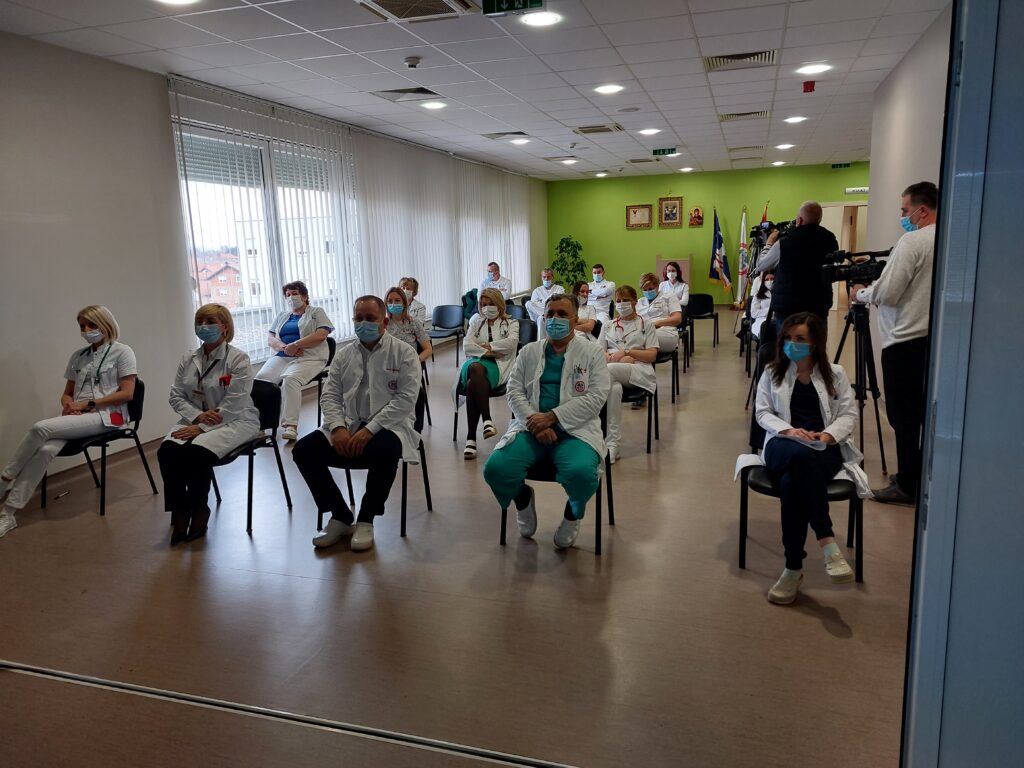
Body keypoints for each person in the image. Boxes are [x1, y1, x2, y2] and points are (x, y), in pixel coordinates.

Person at [755, 312, 870, 605]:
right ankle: (827, 541)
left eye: (800, 339)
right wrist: (790, 430)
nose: (791, 344)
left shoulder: (836, 374)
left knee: (793, 483)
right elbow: (762, 413)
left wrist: (828, 436)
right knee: (799, 455)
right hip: (782, 444)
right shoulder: (772, 371)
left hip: (823, 448)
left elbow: (848, 415)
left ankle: (792, 568)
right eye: (788, 338)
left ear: (815, 343)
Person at [293, 296, 420, 553]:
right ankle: (340, 515)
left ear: (384, 322)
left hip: (389, 425)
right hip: (349, 423)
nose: (364, 323)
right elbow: (330, 396)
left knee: (385, 451)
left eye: (370, 318)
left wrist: (369, 430)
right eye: (358, 318)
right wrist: (338, 427)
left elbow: (406, 400)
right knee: (303, 450)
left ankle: (366, 518)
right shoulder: (344, 355)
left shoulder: (404, 352)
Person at [483, 294, 611, 549]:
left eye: (562, 314)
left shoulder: (593, 353)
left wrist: (552, 417)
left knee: (582, 474)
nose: (555, 319)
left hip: (575, 431)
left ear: (575, 319)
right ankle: (522, 500)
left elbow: (596, 397)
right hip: (531, 429)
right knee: (496, 470)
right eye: (550, 314)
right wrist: (535, 422)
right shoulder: (529, 351)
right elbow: (514, 391)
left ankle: (572, 514)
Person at [0, 306, 137, 539]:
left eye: (92, 325)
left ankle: (4, 480)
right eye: (82, 326)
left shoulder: (123, 352)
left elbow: (127, 393)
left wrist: (88, 404)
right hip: (78, 416)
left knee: (40, 428)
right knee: (45, 450)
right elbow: (66, 394)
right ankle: (8, 514)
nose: (86, 330)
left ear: (105, 324)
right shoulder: (78, 357)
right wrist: (69, 405)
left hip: (108, 416)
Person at [851, 181, 938, 506]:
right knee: (921, 412)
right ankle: (917, 474)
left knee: (903, 417)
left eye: (905, 210)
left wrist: (861, 293)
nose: (903, 216)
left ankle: (907, 484)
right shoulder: (948, 238)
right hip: (931, 340)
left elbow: (888, 292)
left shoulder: (913, 241)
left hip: (904, 341)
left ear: (922, 210)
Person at [159, 304, 261, 545]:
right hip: (196, 417)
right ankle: (180, 509)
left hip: (236, 420)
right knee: (168, 451)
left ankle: (200, 508)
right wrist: (197, 417)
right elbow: (176, 396)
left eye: (210, 322)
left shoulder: (238, 359)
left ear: (224, 327)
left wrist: (202, 428)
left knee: (197, 452)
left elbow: (235, 403)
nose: (203, 326)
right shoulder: (189, 358)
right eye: (200, 322)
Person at [255, 281, 334, 442]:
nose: (291, 297)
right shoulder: (282, 316)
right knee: (261, 381)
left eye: (295, 293)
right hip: (283, 355)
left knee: (290, 379)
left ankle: (291, 426)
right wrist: (285, 347)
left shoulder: (316, 312)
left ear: (304, 296)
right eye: (288, 295)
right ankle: (260, 425)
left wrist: (296, 345)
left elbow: (321, 335)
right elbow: (270, 338)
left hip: (309, 356)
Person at [756, 202, 839, 332]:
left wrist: (769, 243)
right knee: (815, 341)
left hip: (788, 307)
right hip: (819, 305)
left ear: (799, 220)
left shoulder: (785, 242)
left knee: (788, 342)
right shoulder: (830, 240)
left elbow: (761, 265)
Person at [456, 288, 519, 460]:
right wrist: (488, 353)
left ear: (499, 304)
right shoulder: (476, 321)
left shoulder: (511, 323)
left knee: (473, 383)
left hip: (498, 367)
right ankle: (487, 420)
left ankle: (471, 439)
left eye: (491, 304)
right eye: (483, 304)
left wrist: (487, 346)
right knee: (476, 368)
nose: (487, 308)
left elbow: (511, 343)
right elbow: (467, 345)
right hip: (475, 362)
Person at [597, 286, 658, 463]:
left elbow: (652, 355)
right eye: (618, 300)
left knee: (608, 371)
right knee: (614, 389)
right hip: (613, 370)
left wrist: (628, 353)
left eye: (626, 300)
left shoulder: (646, 324)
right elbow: (598, 351)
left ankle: (597, 435)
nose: (621, 304)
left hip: (639, 370)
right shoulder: (608, 325)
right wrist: (612, 358)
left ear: (635, 302)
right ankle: (612, 445)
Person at [383, 286, 432, 432]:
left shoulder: (413, 323)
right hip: (388, 368)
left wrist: (416, 360)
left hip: (410, 367)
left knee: (419, 393)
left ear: (404, 303)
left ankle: (416, 432)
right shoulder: (383, 324)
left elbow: (428, 349)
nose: (393, 304)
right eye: (390, 301)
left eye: (397, 300)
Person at [636, 272, 683, 353]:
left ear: (657, 286)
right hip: (644, 332)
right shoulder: (639, 302)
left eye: (650, 289)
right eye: (645, 290)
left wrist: (655, 324)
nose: (648, 292)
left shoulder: (669, 297)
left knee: (639, 339)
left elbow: (677, 319)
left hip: (666, 332)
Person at [750, 271, 774, 340]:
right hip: (762, 320)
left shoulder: (780, 293)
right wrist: (770, 311)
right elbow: (754, 313)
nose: (770, 281)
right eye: (767, 279)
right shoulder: (758, 294)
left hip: (776, 320)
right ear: (763, 281)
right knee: (766, 329)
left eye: (772, 279)